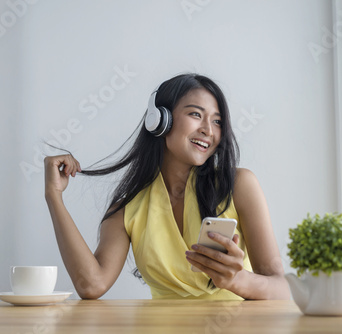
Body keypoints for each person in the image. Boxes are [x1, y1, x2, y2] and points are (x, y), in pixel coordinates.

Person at [44, 73, 290, 300]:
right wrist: (54, 196)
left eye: (217, 121)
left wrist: (238, 280)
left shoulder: (239, 185)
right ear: (159, 120)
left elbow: (282, 288)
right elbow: (91, 285)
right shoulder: (128, 208)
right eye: (196, 114)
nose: (208, 130)